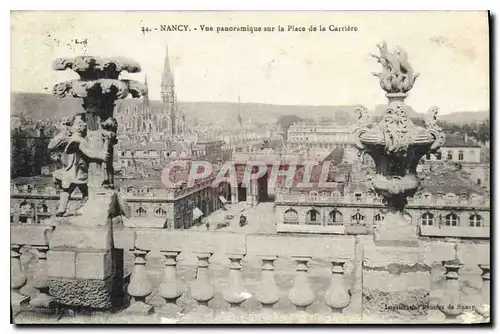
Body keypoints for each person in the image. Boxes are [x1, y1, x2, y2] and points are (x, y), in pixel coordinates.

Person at [49, 114, 108, 217]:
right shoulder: (77, 139)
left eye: (82, 124)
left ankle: (63, 208)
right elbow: (88, 152)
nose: (82, 126)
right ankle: (65, 208)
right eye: (79, 124)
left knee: (69, 189)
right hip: (76, 169)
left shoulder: (78, 138)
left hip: (78, 168)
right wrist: (101, 155)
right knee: (75, 188)